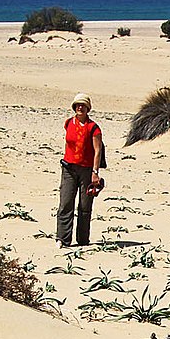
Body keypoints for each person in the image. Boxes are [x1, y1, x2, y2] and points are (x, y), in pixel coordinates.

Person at [57, 92, 105, 247]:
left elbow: (97, 151)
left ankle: (83, 240)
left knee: (85, 207)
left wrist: (95, 172)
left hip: (87, 171)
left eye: (83, 105)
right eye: (78, 105)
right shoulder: (68, 123)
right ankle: (63, 239)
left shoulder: (94, 128)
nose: (80, 108)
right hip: (69, 169)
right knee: (66, 203)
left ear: (88, 108)